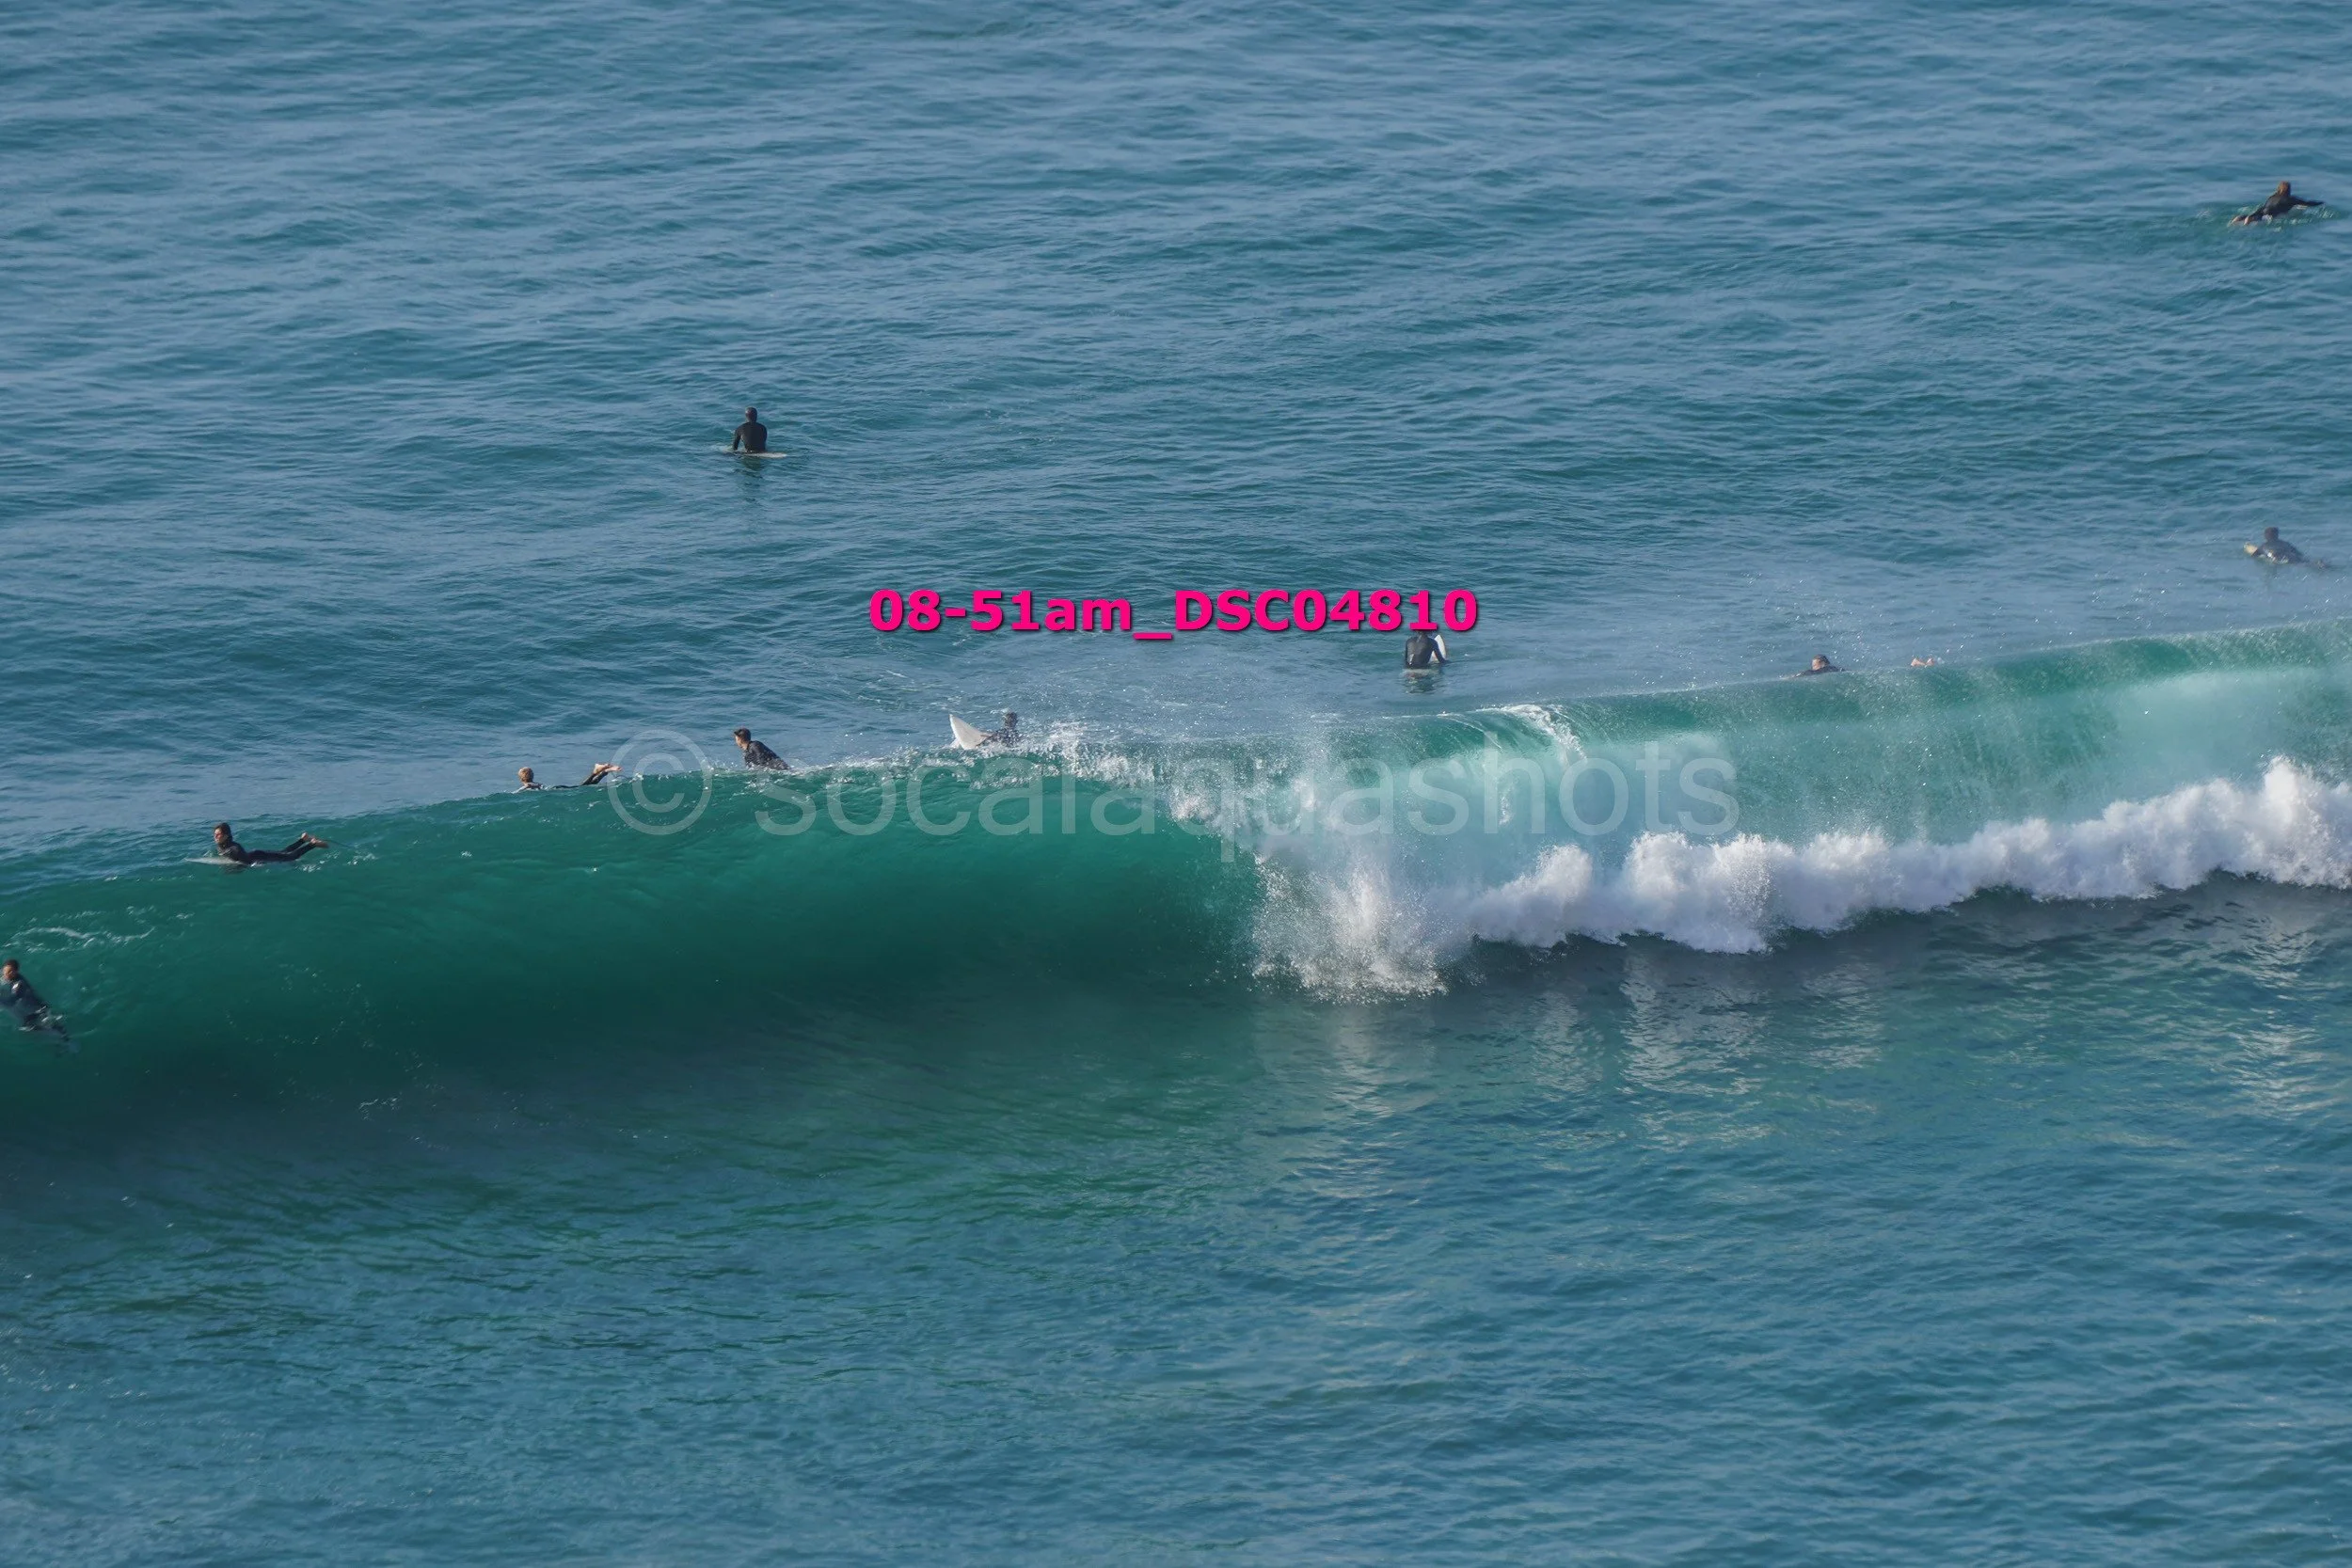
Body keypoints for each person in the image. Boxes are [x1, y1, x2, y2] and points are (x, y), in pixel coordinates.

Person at [213, 822, 326, 865]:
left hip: (258, 857)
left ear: (226, 836)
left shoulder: (234, 848)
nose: (215, 837)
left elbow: (247, 864)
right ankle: (303, 839)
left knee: (290, 857)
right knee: (284, 852)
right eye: (215, 834)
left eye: (218, 835)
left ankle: (312, 844)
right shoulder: (222, 845)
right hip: (255, 854)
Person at [2233, 181, 2323, 226]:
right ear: (2289, 190)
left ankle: (2241, 218)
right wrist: (2320, 203)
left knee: (2258, 214)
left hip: (2263, 209)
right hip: (2272, 214)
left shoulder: (2272, 197)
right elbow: (2308, 203)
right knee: (2262, 218)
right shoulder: (2290, 199)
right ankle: (2250, 219)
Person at [516, 764, 621, 791]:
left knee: (581, 787)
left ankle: (596, 771)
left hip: (555, 789)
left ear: (521, 778)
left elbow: (528, 786)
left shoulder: (528, 785)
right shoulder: (533, 783)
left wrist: (515, 793)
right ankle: (604, 771)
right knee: (585, 787)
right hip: (555, 788)